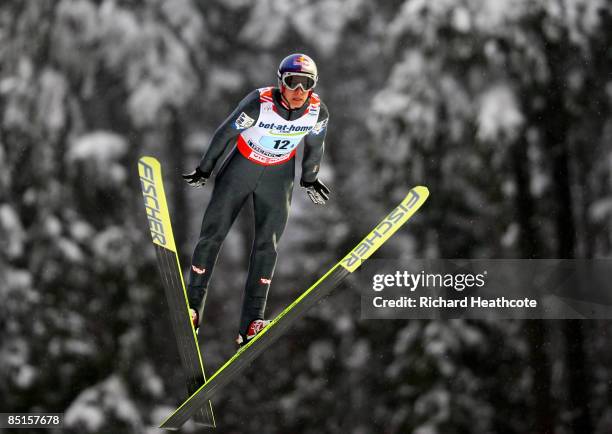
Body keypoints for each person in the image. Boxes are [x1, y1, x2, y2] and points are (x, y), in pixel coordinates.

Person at [182, 53, 330, 347]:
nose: (299, 91)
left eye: (307, 84)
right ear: (281, 82)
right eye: (293, 82)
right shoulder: (259, 103)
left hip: (279, 176)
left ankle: (251, 323)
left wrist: (310, 177)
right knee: (213, 234)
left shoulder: (317, 112)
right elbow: (225, 133)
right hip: (242, 168)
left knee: (267, 246)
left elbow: (315, 146)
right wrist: (205, 168)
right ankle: (193, 307)